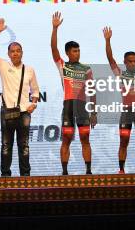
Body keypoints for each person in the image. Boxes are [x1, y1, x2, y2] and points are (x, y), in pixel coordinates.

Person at [0, 18, 40, 177]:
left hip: (24, 112)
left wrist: (34, 103)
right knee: (5, 145)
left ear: (22, 53)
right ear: (9, 54)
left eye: (18, 50)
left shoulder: (29, 69)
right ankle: (5, 176)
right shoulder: (3, 65)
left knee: (24, 145)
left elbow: (36, 90)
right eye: (12, 51)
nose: (15, 53)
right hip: (7, 111)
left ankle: (25, 176)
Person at [103, 26, 135, 174]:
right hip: (126, 113)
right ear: (125, 62)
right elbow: (110, 59)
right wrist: (108, 41)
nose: (133, 63)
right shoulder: (120, 74)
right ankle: (121, 170)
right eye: (130, 61)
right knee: (123, 142)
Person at [51, 11, 96, 175]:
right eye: (75, 51)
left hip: (82, 106)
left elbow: (92, 91)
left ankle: (89, 171)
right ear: (68, 53)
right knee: (66, 139)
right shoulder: (63, 66)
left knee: (85, 139)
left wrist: (94, 112)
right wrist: (54, 28)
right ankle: (64, 172)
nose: (78, 53)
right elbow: (53, 48)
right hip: (68, 106)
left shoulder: (86, 68)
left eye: (79, 50)